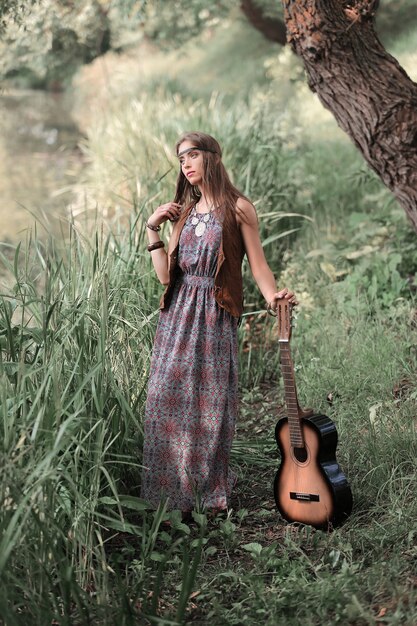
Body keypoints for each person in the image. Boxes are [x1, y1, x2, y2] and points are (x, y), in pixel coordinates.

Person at [141, 131, 297, 516]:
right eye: (180, 159)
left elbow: (258, 266)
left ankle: (206, 496)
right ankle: (168, 497)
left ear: (212, 156)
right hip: (177, 317)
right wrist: (152, 230)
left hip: (213, 314)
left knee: (208, 404)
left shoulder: (239, 207)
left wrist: (272, 297)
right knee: (165, 400)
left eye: (192, 155)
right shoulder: (184, 212)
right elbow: (166, 278)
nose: (186, 164)